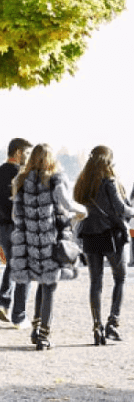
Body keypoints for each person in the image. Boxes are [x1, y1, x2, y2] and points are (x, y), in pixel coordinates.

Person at [10, 144, 81, 351]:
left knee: (42, 283)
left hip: (29, 243)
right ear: (51, 158)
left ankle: (35, 329)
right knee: (49, 286)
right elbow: (67, 204)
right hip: (50, 241)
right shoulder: (55, 179)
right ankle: (44, 336)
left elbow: (15, 215)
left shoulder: (21, 181)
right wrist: (83, 211)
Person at [73, 146, 134, 345]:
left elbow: (78, 203)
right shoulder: (109, 181)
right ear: (108, 161)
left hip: (89, 234)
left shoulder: (83, 182)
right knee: (120, 277)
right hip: (111, 235)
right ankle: (112, 323)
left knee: (95, 283)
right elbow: (119, 208)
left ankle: (96, 327)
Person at [0, 138, 32, 326]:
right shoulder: (20, 175)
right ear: (18, 153)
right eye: (27, 154)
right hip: (18, 227)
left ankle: (3, 303)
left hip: (0, 228)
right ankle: (19, 316)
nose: (29, 158)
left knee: (13, 264)